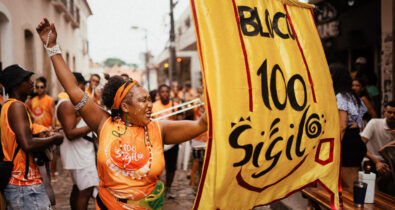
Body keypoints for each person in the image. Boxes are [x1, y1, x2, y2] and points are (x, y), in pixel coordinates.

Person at [36, 18, 207, 209]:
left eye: (149, 99)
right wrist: (52, 47)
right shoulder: (104, 123)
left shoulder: (159, 129)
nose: (150, 105)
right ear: (125, 107)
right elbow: (73, 89)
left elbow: (202, 125)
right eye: (143, 100)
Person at [0, 64, 63, 209]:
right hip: (25, 185)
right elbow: (27, 144)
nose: (31, 82)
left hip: (20, 184)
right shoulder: (16, 106)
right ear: (16, 84)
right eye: (26, 79)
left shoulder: (8, 106)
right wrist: (55, 138)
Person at [56, 72, 99, 210]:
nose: (84, 89)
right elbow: (70, 133)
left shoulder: (71, 103)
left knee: (79, 188)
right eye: (83, 85)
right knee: (85, 191)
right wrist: (94, 124)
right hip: (80, 156)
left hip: (81, 153)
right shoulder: (67, 103)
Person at [330, 63, 367, 192]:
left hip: (347, 143)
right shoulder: (353, 96)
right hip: (355, 139)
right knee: (348, 188)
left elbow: (342, 126)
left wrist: (335, 147)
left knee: (351, 188)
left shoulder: (340, 97)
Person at [152, 84, 179, 199]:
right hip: (158, 140)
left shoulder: (176, 106)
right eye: (162, 92)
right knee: (156, 166)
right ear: (159, 93)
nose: (165, 94)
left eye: (166, 91)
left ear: (170, 92)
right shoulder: (153, 106)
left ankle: (168, 188)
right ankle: (156, 189)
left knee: (171, 167)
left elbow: (181, 120)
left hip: (172, 141)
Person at [361, 101, 395, 188]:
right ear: (384, 112)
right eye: (389, 112)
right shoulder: (374, 123)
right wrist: (377, 162)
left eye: (394, 113)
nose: (392, 115)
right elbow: (361, 146)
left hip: (388, 162)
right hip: (370, 158)